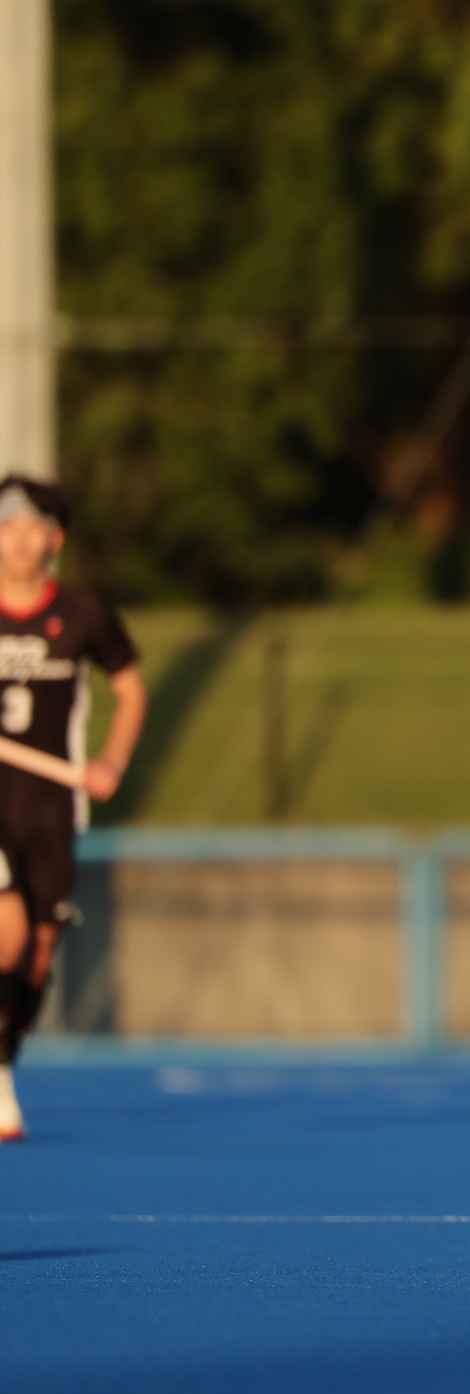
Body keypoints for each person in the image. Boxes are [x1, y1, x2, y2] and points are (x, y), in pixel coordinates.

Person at [0, 476, 145, 1142]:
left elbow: (130, 689)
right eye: (6, 527)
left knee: (36, 958)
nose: (18, 541)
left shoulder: (84, 613)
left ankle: (4, 1064)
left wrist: (112, 761)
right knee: (6, 936)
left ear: (55, 539)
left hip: (52, 808)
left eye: (33, 528)